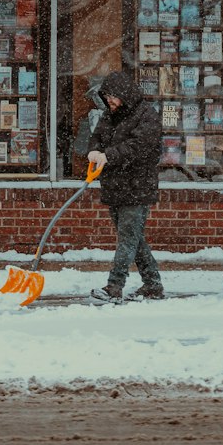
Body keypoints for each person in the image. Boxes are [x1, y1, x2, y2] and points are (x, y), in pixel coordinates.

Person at [73, 69, 164, 304]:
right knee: (133, 238)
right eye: (107, 97)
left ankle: (114, 287)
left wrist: (109, 156)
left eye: (113, 96)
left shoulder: (147, 116)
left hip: (138, 186)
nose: (110, 101)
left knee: (127, 239)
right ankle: (153, 285)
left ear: (125, 94)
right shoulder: (109, 115)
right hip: (115, 185)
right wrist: (94, 150)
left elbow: (138, 147)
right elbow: (98, 137)